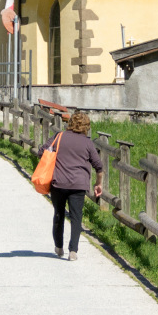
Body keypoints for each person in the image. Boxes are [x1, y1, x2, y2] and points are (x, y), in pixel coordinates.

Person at [49, 111, 105, 261]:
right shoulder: (87, 143)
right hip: (78, 185)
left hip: (58, 183)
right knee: (76, 217)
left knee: (59, 214)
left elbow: (42, 151)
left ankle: (59, 247)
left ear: (70, 123)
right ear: (86, 126)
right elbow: (99, 167)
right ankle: (73, 251)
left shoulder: (59, 137)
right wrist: (98, 184)